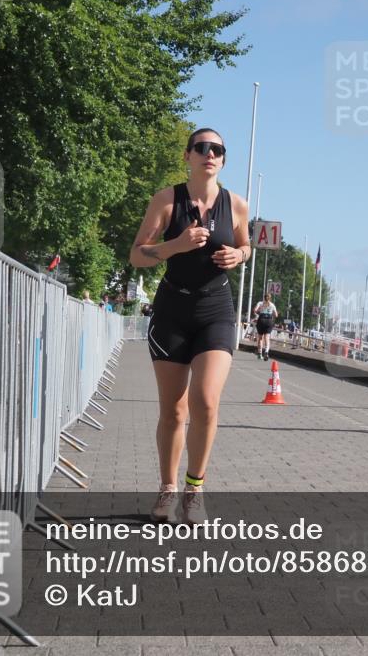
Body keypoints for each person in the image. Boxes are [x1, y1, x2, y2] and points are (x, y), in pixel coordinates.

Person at [129, 127, 250, 524]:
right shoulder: (167, 200)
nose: (209, 154)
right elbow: (138, 255)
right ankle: (168, 490)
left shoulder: (237, 205)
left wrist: (240, 256)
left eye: (217, 149)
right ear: (188, 156)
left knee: (206, 401)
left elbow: (245, 244)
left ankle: (194, 490)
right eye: (202, 148)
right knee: (173, 411)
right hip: (172, 312)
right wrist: (174, 246)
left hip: (216, 309)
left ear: (223, 160)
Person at [252, 293, 278, 361]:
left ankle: (260, 354)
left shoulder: (260, 303)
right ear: (270, 298)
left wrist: (258, 314)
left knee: (260, 338)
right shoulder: (272, 305)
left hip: (261, 320)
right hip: (269, 321)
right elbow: (276, 315)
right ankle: (266, 351)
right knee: (267, 337)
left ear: (264, 298)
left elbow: (255, 310)